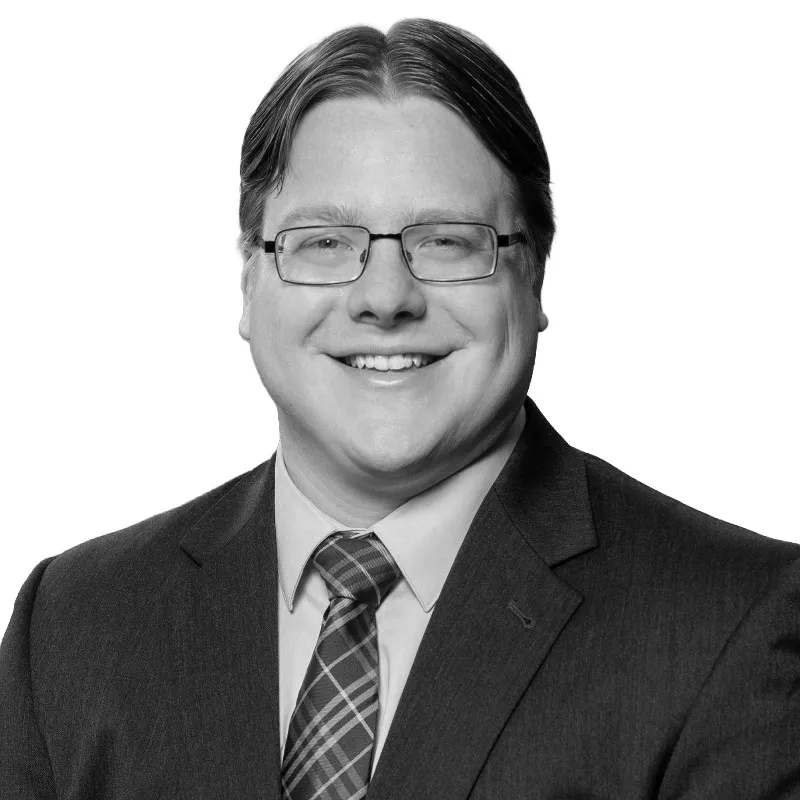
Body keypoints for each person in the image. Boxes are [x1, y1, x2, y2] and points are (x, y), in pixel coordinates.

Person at [1, 17, 798, 800]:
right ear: (249, 282)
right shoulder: (73, 625)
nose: (385, 297)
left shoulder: (732, 623)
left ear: (535, 278)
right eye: (324, 243)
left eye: (448, 241)